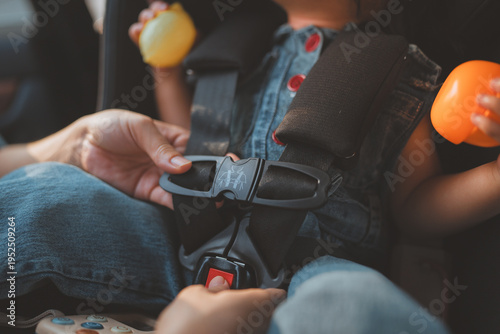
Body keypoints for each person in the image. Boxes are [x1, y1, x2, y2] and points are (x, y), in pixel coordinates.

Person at [0, 1, 499, 334]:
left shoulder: (395, 72)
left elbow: (414, 207)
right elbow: (191, 146)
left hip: (314, 265)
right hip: (187, 241)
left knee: (352, 306)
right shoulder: (237, 52)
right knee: (41, 197)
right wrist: (166, 70)